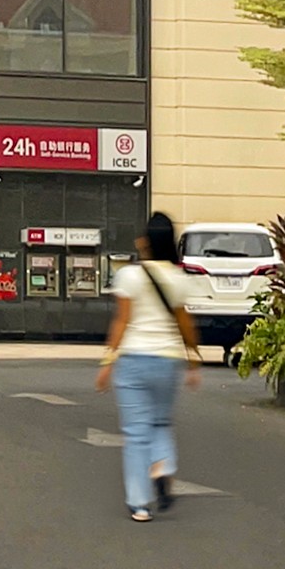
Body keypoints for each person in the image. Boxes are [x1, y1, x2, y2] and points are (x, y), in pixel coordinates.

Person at [92, 211, 201, 521]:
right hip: (168, 361)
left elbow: (122, 321)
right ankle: (163, 466)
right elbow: (185, 324)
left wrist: (107, 362)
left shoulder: (129, 276)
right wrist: (193, 360)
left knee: (137, 433)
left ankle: (140, 504)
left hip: (133, 362)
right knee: (161, 423)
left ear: (145, 242)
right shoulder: (179, 279)